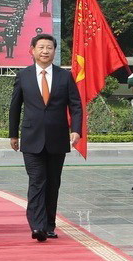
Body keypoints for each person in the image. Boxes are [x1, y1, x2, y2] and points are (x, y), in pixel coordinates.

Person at [9, 34, 82, 242]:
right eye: (40, 47)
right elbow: (15, 107)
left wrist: (76, 129)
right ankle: (37, 226)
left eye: (49, 47)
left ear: (54, 51)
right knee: (37, 181)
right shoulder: (23, 75)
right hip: (31, 138)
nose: (45, 51)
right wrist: (13, 134)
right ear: (32, 50)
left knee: (52, 183)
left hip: (57, 138)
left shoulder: (64, 76)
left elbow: (75, 105)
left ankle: (49, 224)